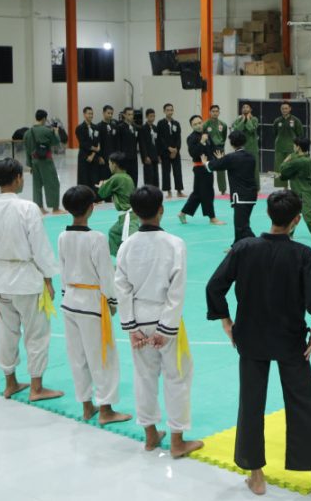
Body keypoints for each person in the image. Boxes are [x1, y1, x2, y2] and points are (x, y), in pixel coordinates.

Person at [205, 190, 311, 497]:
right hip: (291, 340)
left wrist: (226, 322)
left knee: (251, 403)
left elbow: (215, 286)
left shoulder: (244, 248)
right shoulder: (302, 254)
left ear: (268, 214)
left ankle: (256, 476)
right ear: (296, 220)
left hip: (250, 338)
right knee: (304, 402)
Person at [115, 185, 203, 458]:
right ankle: (177, 441)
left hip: (138, 317)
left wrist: (131, 327)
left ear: (135, 212)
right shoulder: (175, 244)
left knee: (144, 376)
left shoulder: (127, 245)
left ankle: (150, 435)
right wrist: (166, 327)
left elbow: (122, 288)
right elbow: (176, 290)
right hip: (165, 317)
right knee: (177, 376)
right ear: (161, 210)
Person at [0, 158, 64, 402]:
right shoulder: (27, 208)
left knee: (6, 332)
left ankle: (10, 382)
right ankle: (36, 387)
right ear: (18, 178)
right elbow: (39, 246)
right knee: (37, 333)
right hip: (26, 279)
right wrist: (48, 278)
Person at [58, 185, 132, 425]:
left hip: (69, 301)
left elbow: (62, 269)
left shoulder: (63, 236)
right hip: (91, 303)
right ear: (91, 208)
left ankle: (86, 405)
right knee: (102, 357)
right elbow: (106, 275)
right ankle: (106, 409)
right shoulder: (96, 238)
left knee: (77, 356)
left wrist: (64, 293)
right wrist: (112, 301)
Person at [208, 131, 259, 245]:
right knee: (241, 224)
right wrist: (222, 160)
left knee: (242, 226)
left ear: (231, 143)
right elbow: (228, 164)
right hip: (251, 195)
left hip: (240, 196)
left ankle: (259, 244)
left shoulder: (231, 157)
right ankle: (236, 246)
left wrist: (206, 162)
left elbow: (214, 166)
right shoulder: (251, 156)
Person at [178, 115, 224, 226]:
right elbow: (193, 153)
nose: (198, 125)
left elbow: (213, 148)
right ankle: (212, 218)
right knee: (208, 192)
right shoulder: (191, 138)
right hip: (200, 168)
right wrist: (202, 142)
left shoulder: (206, 134)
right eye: (195, 124)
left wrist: (218, 155)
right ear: (191, 126)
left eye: (199, 123)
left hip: (208, 166)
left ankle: (183, 213)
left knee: (198, 194)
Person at [23, 110, 63, 214]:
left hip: (34, 161)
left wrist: (30, 164)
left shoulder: (27, 133)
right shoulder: (47, 131)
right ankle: (55, 208)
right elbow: (56, 142)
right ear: (44, 118)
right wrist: (56, 132)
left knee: (37, 185)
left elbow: (27, 150)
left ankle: (39, 207)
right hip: (46, 161)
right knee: (53, 183)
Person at [97, 152, 135, 257]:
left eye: (109, 164)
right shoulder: (127, 176)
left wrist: (101, 185)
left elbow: (102, 193)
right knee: (113, 233)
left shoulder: (116, 178)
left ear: (114, 164)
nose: (109, 166)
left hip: (128, 216)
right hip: (129, 214)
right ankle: (121, 260)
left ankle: (127, 261)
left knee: (129, 241)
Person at [272, 102, 304, 189]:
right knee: (280, 167)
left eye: (286, 108)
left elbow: (300, 134)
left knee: (293, 167)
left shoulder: (296, 120)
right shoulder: (277, 121)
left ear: (290, 109)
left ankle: (295, 187)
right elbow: (274, 133)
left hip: (292, 148)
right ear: (280, 109)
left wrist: (298, 147)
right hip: (280, 148)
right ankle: (284, 187)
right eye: (282, 108)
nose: (284, 110)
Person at [157, 103, 185, 198]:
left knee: (177, 171)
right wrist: (168, 148)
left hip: (176, 152)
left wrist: (176, 149)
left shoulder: (176, 123)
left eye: (171, 110)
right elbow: (160, 138)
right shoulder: (160, 123)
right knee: (166, 172)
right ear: (164, 111)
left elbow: (178, 138)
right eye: (168, 110)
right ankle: (168, 191)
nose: (170, 112)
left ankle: (179, 191)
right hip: (165, 152)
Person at [232, 103, 261, 192]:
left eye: (247, 107)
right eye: (243, 107)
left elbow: (251, 129)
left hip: (252, 147)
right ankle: (243, 186)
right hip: (241, 147)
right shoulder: (238, 120)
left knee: (254, 168)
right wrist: (243, 120)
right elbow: (237, 130)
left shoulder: (254, 119)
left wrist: (248, 119)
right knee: (241, 168)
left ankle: (256, 187)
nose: (245, 108)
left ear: (250, 109)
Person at [74, 107, 104, 189]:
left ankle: (94, 196)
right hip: (84, 156)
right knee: (84, 178)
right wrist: (95, 149)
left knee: (94, 178)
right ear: (84, 114)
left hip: (94, 157)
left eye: (92, 114)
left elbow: (97, 141)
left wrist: (93, 154)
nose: (91, 115)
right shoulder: (79, 128)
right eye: (89, 113)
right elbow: (83, 143)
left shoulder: (96, 127)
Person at [205, 105, 228, 194]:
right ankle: (207, 189)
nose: (215, 113)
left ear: (219, 112)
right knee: (208, 168)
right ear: (210, 112)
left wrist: (221, 144)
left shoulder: (223, 124)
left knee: (221, 169)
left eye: (216, 111)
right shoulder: (206, 124)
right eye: (213, 111)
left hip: (219, 148)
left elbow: (224, 137)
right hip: (209, 149)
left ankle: (223, 190)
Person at [117, 107, 141, 187]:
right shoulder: (120, 127)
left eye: (132, 114)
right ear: (124, 115)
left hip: (133, 156)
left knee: (134, 177)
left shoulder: (135, 127)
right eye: (129, 114)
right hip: (124, 157)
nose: (131, 116)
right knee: (124, 178)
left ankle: (134, 192)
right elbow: (118, 144)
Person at [139, 108, 160, 188]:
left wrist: (158, 155)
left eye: (154, 116)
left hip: (155, 155)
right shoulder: (143, 128)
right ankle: (148, 191)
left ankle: (156, 191)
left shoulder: (155, 128)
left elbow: (157, 142)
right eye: (151, 116)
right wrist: (145, 156)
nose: (152, 118)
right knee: (149, 175)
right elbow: (142, 144)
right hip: (147, 156)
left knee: (155, 175)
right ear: (147, 117)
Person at [98, 105, 118, 184]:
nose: (110, 115)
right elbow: (97, 143)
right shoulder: (98, 127)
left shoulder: (114, 126)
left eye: (111, 113)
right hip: (104, 158)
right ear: (103, 113)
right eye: (108, 113)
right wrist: (99, 156)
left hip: (113, 158)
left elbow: (116, 142)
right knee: (104, 179)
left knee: (113, 178)